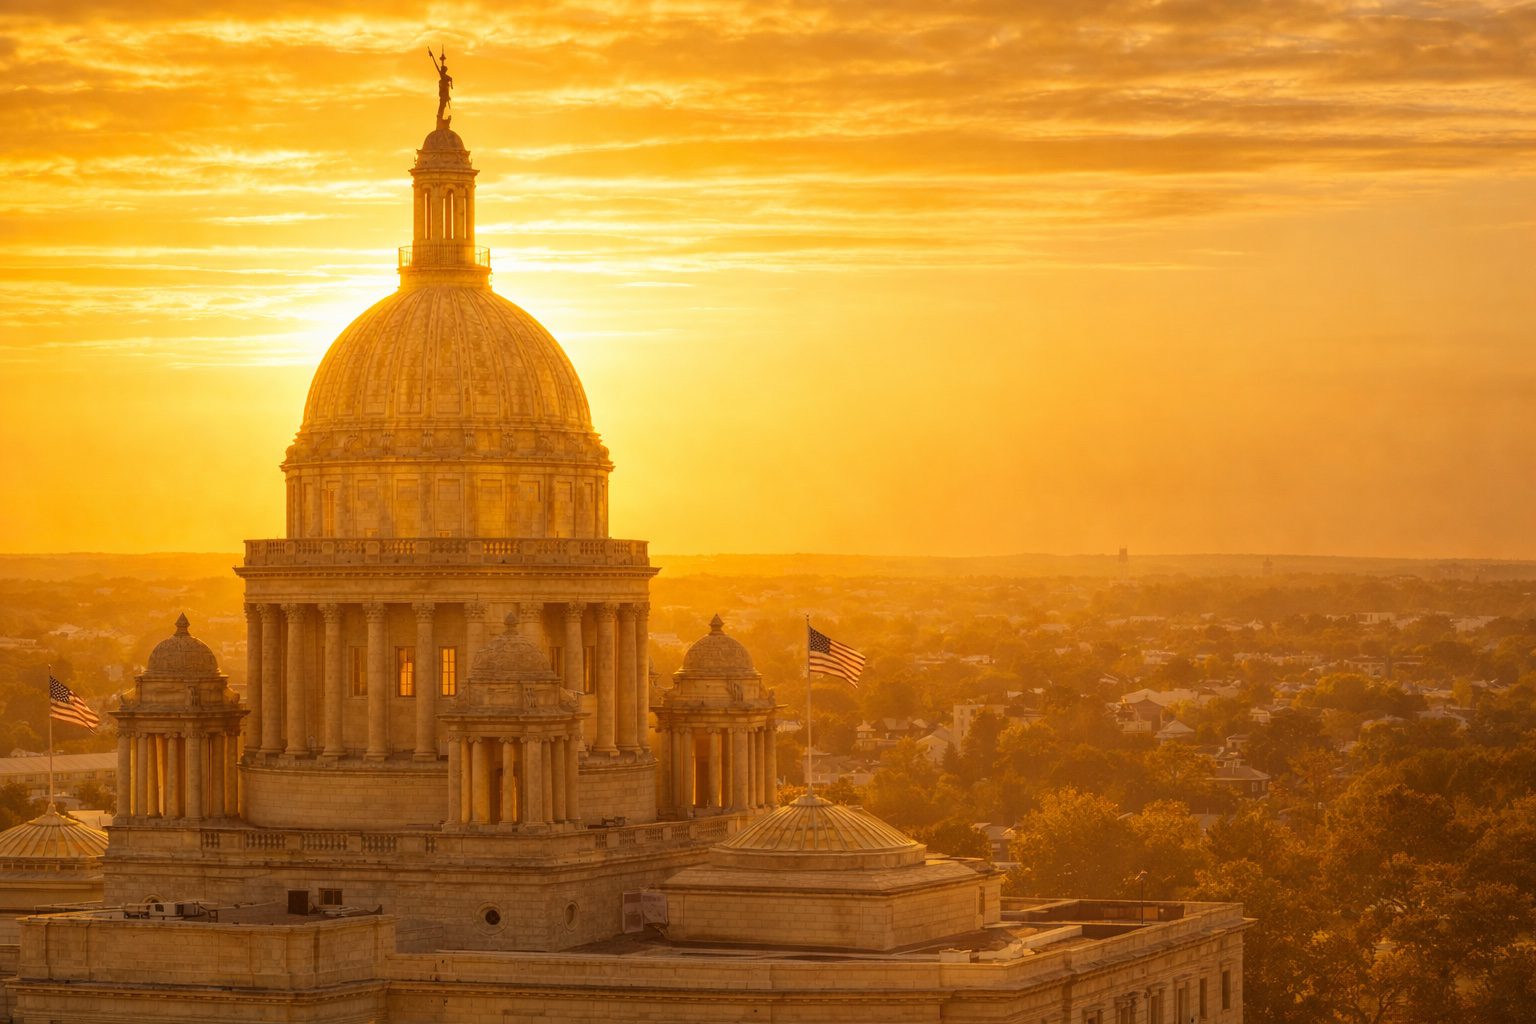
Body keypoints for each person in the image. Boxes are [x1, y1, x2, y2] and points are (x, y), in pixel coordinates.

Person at [430, 48, 453, 124]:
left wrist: (451, 86)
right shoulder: (443, 78)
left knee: (442, 106)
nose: (442, 71)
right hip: (443, 94)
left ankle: (441, 117)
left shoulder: (445, 77)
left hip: (445, 94)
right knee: (442, 106)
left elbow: (450, 79)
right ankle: (440, 117)